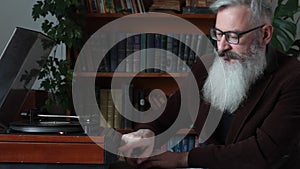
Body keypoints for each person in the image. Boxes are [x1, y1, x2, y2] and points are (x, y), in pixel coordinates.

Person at [118, 0, 300, 168]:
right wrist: (145, 133)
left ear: (265, 34)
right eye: (218, 34)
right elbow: (167, 115)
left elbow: (263, 153)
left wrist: (184, 159)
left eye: (233, 36)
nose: (221, 47)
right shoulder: (206, 66)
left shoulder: (293, 77)